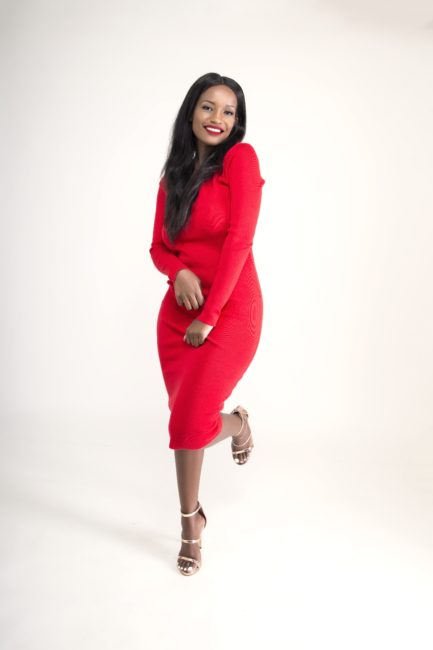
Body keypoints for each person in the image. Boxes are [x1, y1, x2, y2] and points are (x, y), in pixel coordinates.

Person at [149, 72, 265, 576]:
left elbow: (240, 240)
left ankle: (189, 527)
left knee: (189, 422)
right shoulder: (173, 176)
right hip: (178, 315)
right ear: (190, 112)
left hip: (231, 309)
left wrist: (211, 316)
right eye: (207, 107)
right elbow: (158, 247)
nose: (218, 118)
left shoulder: (240, 160)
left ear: (237, 122)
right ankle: (235, 429)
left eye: (228, 111)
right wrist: (178, 271)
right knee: (185, 424)